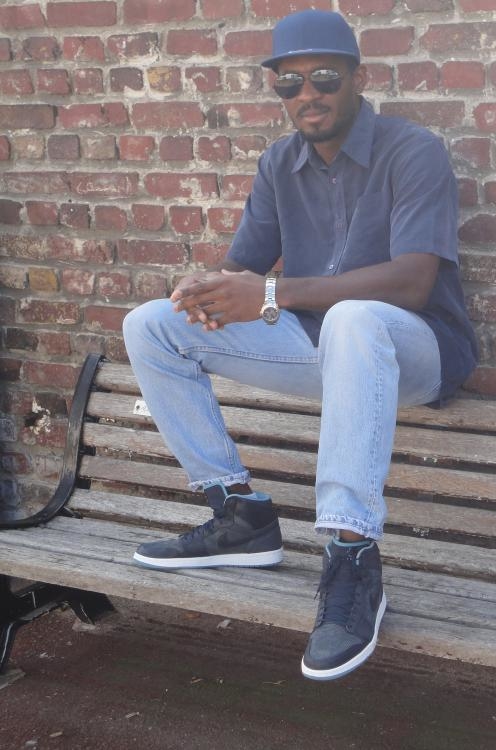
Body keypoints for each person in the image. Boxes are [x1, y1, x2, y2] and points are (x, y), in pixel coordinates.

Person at [121, 9, 477, 682]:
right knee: (150, 324)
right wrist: (206, 290)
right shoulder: (279, 163)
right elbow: (245, 270)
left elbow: (414, 281)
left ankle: (351, 554)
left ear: (357, 78)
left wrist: (270, 294)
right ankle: (238, 514)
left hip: (416, 350)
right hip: (320, 347)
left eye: (323, 78)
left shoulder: (413, 150)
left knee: (353, 318)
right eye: (289, 82)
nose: (306, 94)